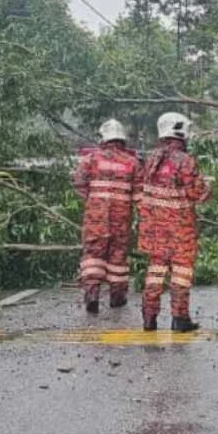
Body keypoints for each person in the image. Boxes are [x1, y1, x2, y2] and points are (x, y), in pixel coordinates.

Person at [137, 112, 212, 332]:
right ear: (181, 131)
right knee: (181, 273)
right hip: (180, 230)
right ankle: (180, 319)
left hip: (154, 229)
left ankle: (149, 318)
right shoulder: (185, 161)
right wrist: (207, 187)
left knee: (155, 271)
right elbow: (197, 193)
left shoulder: (151, 159)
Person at [71, 119, 143, 313]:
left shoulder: (91, 160)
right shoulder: (132, 163)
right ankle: (117, 297)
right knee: (118, 257)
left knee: (93, 255)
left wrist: (94, 202)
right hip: (121, 219)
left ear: (103, 138)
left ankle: (92, 295)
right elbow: (138, 195)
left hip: (95, 219)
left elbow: (78, 184)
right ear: (122, 139)